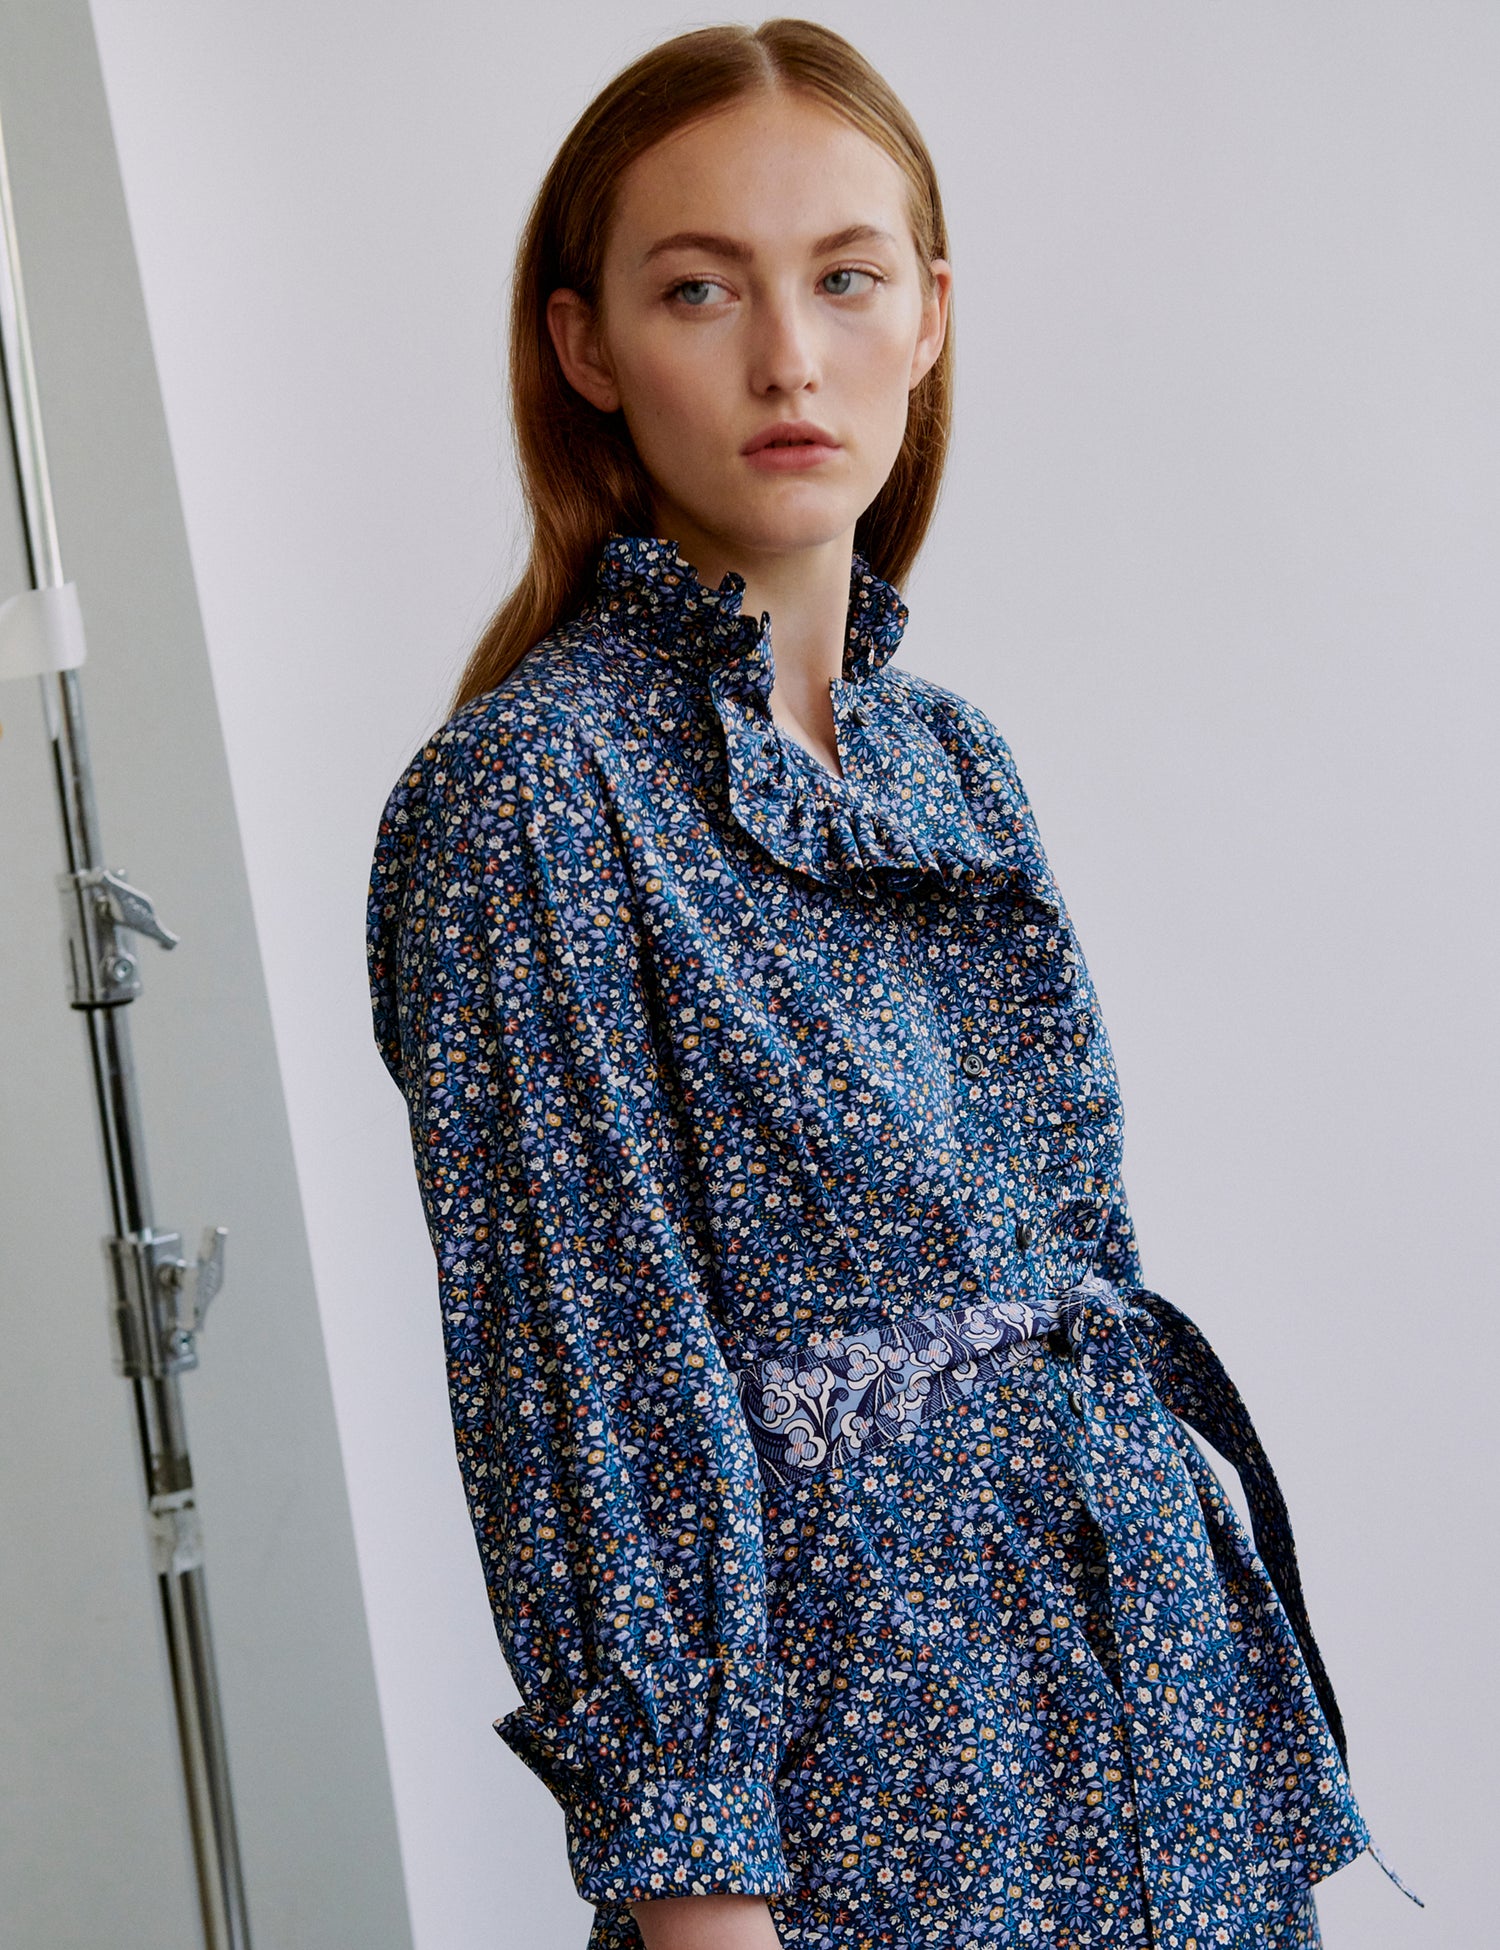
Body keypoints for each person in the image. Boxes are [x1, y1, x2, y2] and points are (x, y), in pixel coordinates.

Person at [367, 20, 1415, 1949]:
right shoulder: (529, 804)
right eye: (702, 289)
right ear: (587, 343)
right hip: (876, 1803)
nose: (788, 356)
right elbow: (586, 1401)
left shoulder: (954, 757)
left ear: (929, 316)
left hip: (1156, 1724)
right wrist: (701, 1899)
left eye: (845, 278)